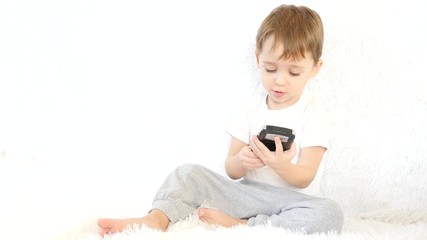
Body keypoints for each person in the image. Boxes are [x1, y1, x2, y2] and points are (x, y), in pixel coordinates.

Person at [97, 4, 344, 236]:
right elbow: (231, 170)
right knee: (187, 173)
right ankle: (156, 219)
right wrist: (242, 159)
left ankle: (244, 225)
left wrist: (280, 165)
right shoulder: (249, 110)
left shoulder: (313, 115)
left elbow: (306, 176)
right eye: (270, 69)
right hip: (243, 195)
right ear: (258, 60)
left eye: (293, 72)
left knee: (330, 213)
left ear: (315, 68)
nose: (280, 80)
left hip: (290, 203)